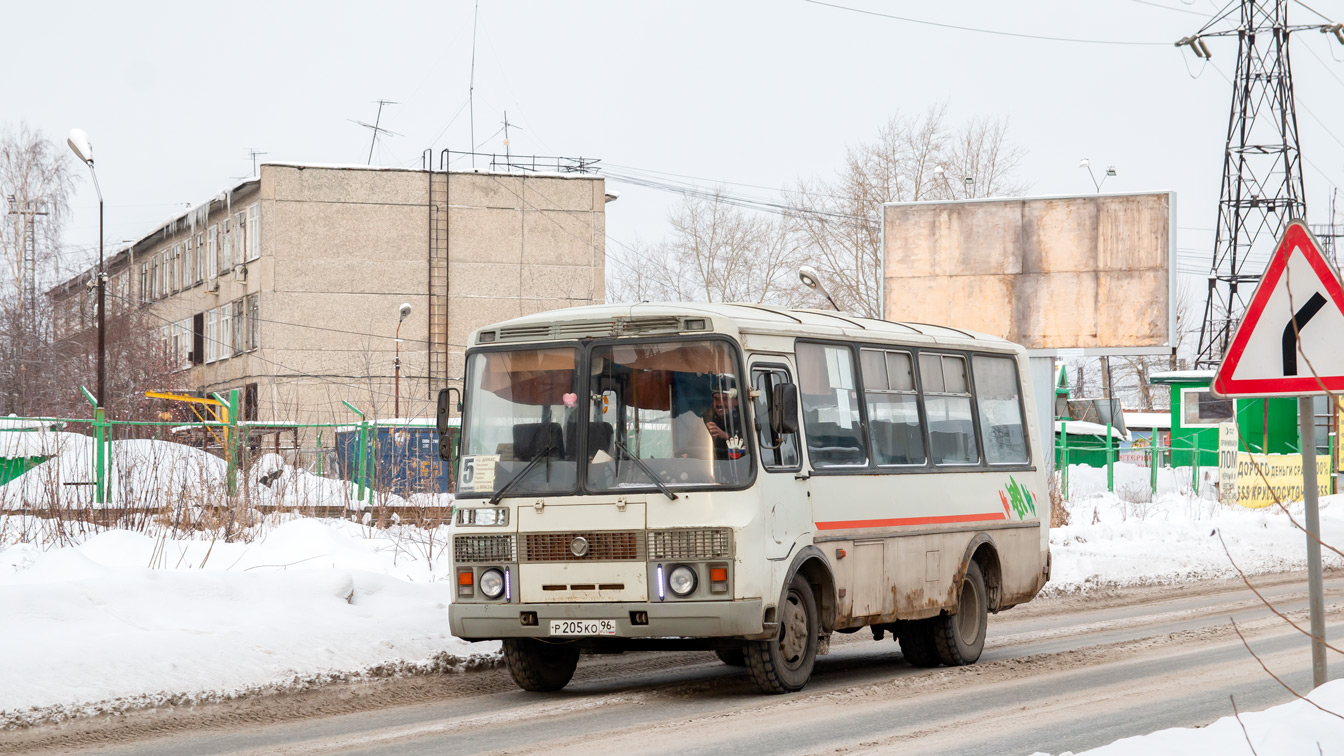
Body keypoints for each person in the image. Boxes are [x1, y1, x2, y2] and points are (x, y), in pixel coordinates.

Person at [703, 387, 745, 460]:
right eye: (716, 399)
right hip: (712, 465)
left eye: (725, 399)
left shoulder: (746, 418)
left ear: (736, 401)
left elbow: (749, 449)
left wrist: (725, 436)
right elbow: (695, 445)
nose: (719, 404)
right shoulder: (707, 418)